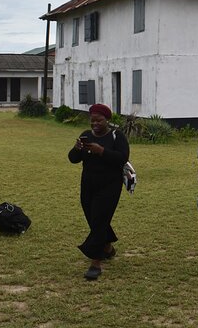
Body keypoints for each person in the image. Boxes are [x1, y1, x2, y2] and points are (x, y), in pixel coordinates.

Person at [68, 103, 130, 280]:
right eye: (92, 120)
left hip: (110, 186)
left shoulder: (117, 136)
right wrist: (77, 149)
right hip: (88, 185)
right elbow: (73, 159)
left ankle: (96, 262)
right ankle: (108, 247)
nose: (95, 123)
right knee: (93, 219)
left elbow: (122, 158)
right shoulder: (86, 135)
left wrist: (101, 151)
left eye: (99, 120)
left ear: (107, 120)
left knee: (99, 219)